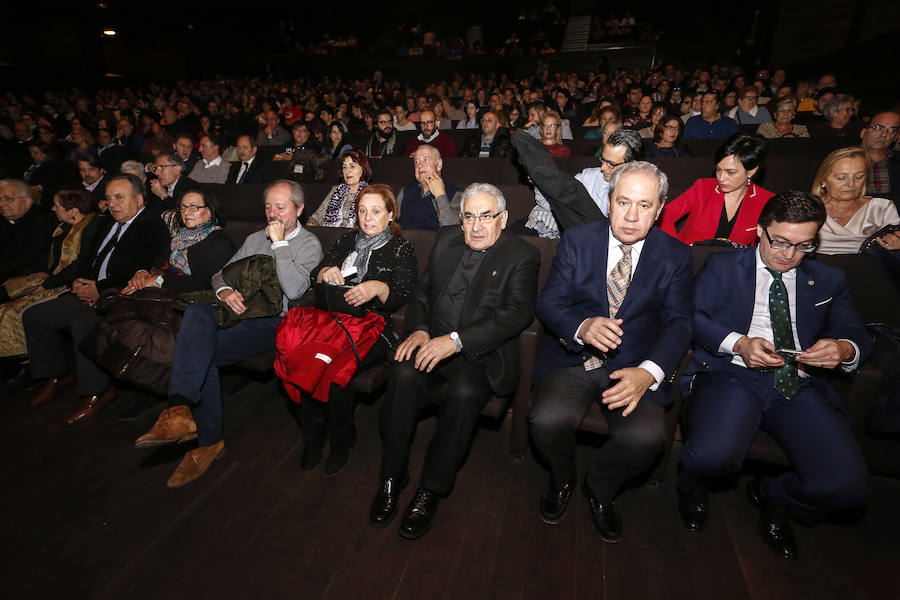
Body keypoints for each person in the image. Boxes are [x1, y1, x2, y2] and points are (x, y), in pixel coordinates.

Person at [676, 191, 871, 560]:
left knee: (848, 488)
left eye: (803, 245)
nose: (789, 254)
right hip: (731, 374)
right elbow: (693, 317)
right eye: (779, 241)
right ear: (760, 231)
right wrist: (738, 344)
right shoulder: (722, 266)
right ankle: (691, 485)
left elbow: (855, 332)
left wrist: (843, 348)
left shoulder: (830, 279)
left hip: (798, 383)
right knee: (710, 456)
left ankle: (772, 496)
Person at [528, 161, 692, 542]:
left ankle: (599, 489)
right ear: (608, 201)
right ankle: (563, 478)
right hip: (573, 357)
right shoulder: (577, 240)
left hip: (635, 364)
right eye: (623, 202)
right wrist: (581, 326)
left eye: (644, 205)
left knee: (646, 438)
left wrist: (649, 372)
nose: (632, 216)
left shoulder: (676, 255)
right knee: (545, 420)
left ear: (660, 208)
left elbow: (679, 324)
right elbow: (550, 302)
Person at [368, 182, 540, 539]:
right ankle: (392, 475)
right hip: (431, 342)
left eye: (486, 216)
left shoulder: (522, 254)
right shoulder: (446, 240)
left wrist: (455, 342)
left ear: (503, 218)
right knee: (401, 376)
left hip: (480, 356)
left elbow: (516, 315)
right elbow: (423, 294)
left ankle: (431, 487)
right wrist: (417, 329)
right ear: (460, 220)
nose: (476, 226)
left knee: (463, 395)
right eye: (469, 216)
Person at [138, 180, 323, 489]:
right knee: (197, 314)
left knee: (199, 351)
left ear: (300, 209)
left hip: (274, 322)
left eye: (281, 206)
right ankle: (184, 411)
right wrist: (224, 291)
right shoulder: (254, 238)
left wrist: (279, 244)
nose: (272, 213)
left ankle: (199, 432)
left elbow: (294, 289)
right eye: (268, 206)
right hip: (237, 313)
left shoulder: (309, 244)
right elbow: (219, 274)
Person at [287, 184, 417, 476]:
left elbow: (406, 294)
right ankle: (313, 434)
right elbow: (315, 273)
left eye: (376, 211)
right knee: (296, 362)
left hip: (373, 328)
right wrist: (325, 272)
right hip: (332, 322)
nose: (368, 218)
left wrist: (378, 287)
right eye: (362, 211)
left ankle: (341, 441)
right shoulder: (346, 241)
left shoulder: (400, 247)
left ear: (390, 214)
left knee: (334, 373)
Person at [23, 175, 171, 422]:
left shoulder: (151, 225)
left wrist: (99, 290)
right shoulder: (105, 222)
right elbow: (87, 257)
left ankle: (97, 392)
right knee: (35, 316)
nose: (112, 204)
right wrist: (79, 282)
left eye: (119, 198)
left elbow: (139, 268)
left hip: (122, 295)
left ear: (139, 199)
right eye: (109, 198)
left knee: (83, 323)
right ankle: (56, 374)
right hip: (89, 289)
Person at [514, 128, 642, 235]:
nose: (603, 168)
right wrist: (539, 185)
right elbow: (552, 206)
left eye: (611, 164)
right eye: (603, 159)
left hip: (606, 235)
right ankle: (543, 176)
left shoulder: (642, 190)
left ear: (632, 164)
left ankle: (543, 172)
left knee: (573, 190)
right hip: (577, 233)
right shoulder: (589, 176)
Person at [659, 134, 775, 246]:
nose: (721, 178)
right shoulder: (703, 188)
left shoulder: (766, 201)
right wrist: (675, 247)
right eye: (718, 170)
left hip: (734, 263)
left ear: (751, 172)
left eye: (731, 172)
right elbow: (667, 213)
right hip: (692, 257)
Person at [122, 189, 235, 295]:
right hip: (161, 293)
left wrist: (158, 281)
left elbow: (203, 283)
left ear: (210, 211)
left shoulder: (220, 243)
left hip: (188, 303)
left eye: (193, 207)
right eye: (183, 207)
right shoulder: (179, 237)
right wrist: (143, 275)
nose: (186, 212)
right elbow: (157, 265)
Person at [811, 147, 900, 254]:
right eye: (841, 178)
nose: (851, 184)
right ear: (823, 180)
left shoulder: (881, 208)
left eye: (859, 177)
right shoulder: (807, 209)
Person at [0, 179, 56, 286]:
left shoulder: (41, 223)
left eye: (9, 199)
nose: (1, 204)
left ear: (27, 201)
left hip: (24, 279)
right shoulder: (4, 220)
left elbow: (27, 260)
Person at [395, 145, 463, 231]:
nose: (419, 165)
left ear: (439, 165)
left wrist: (440, 196)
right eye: (416, 162)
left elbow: (453, 232)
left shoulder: (455, 194)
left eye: (425, 160)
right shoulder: (405, 191)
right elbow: (392, 222)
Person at [306, 149, 371, 227]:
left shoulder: (370, 194)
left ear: (363, 168)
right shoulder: (336, 191)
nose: (347, 171)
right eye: (344, 167)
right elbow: (317, 217)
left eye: (352, 166)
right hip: (330, 234)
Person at [859, 111, 900, 198]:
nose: (884, 134)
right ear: (863, 132)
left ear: (895, 137)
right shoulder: (844, 159)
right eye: (878, 128)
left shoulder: (896, 161)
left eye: (892, 130)